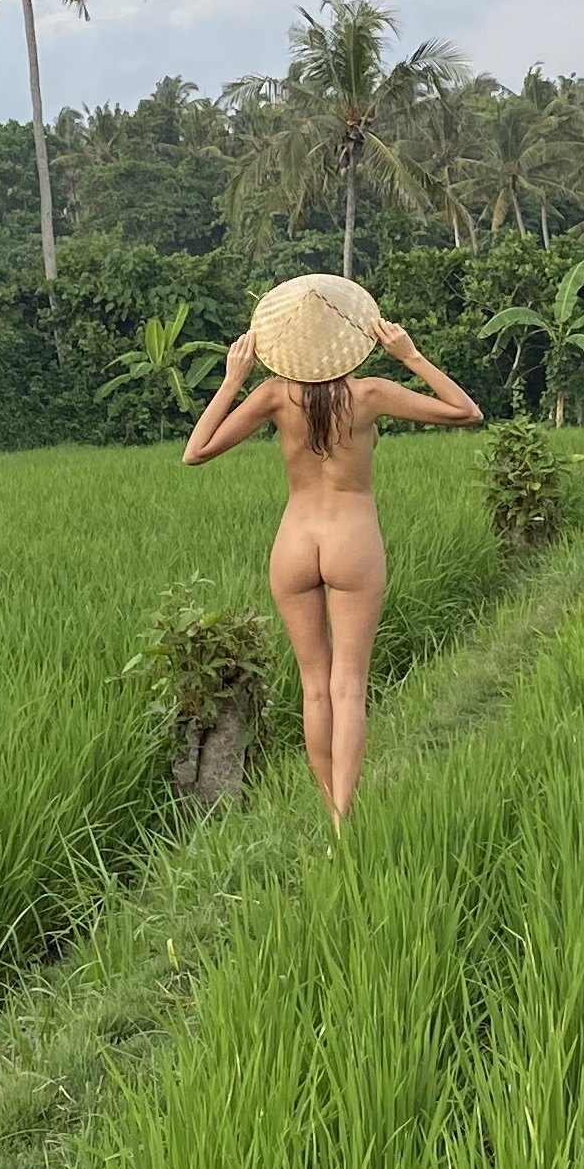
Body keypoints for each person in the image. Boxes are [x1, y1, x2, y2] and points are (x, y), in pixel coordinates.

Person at [180, 272, 482, 823]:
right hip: (352, 540)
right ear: (349, 337)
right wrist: (410, 355)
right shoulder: (369, 393)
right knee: (348, 687)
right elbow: (466, 411)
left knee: (314, 687)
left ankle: (327, 811)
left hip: (294, 543)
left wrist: (232, 379)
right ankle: (346, 818)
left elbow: (195, 452)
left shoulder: (273, 396)